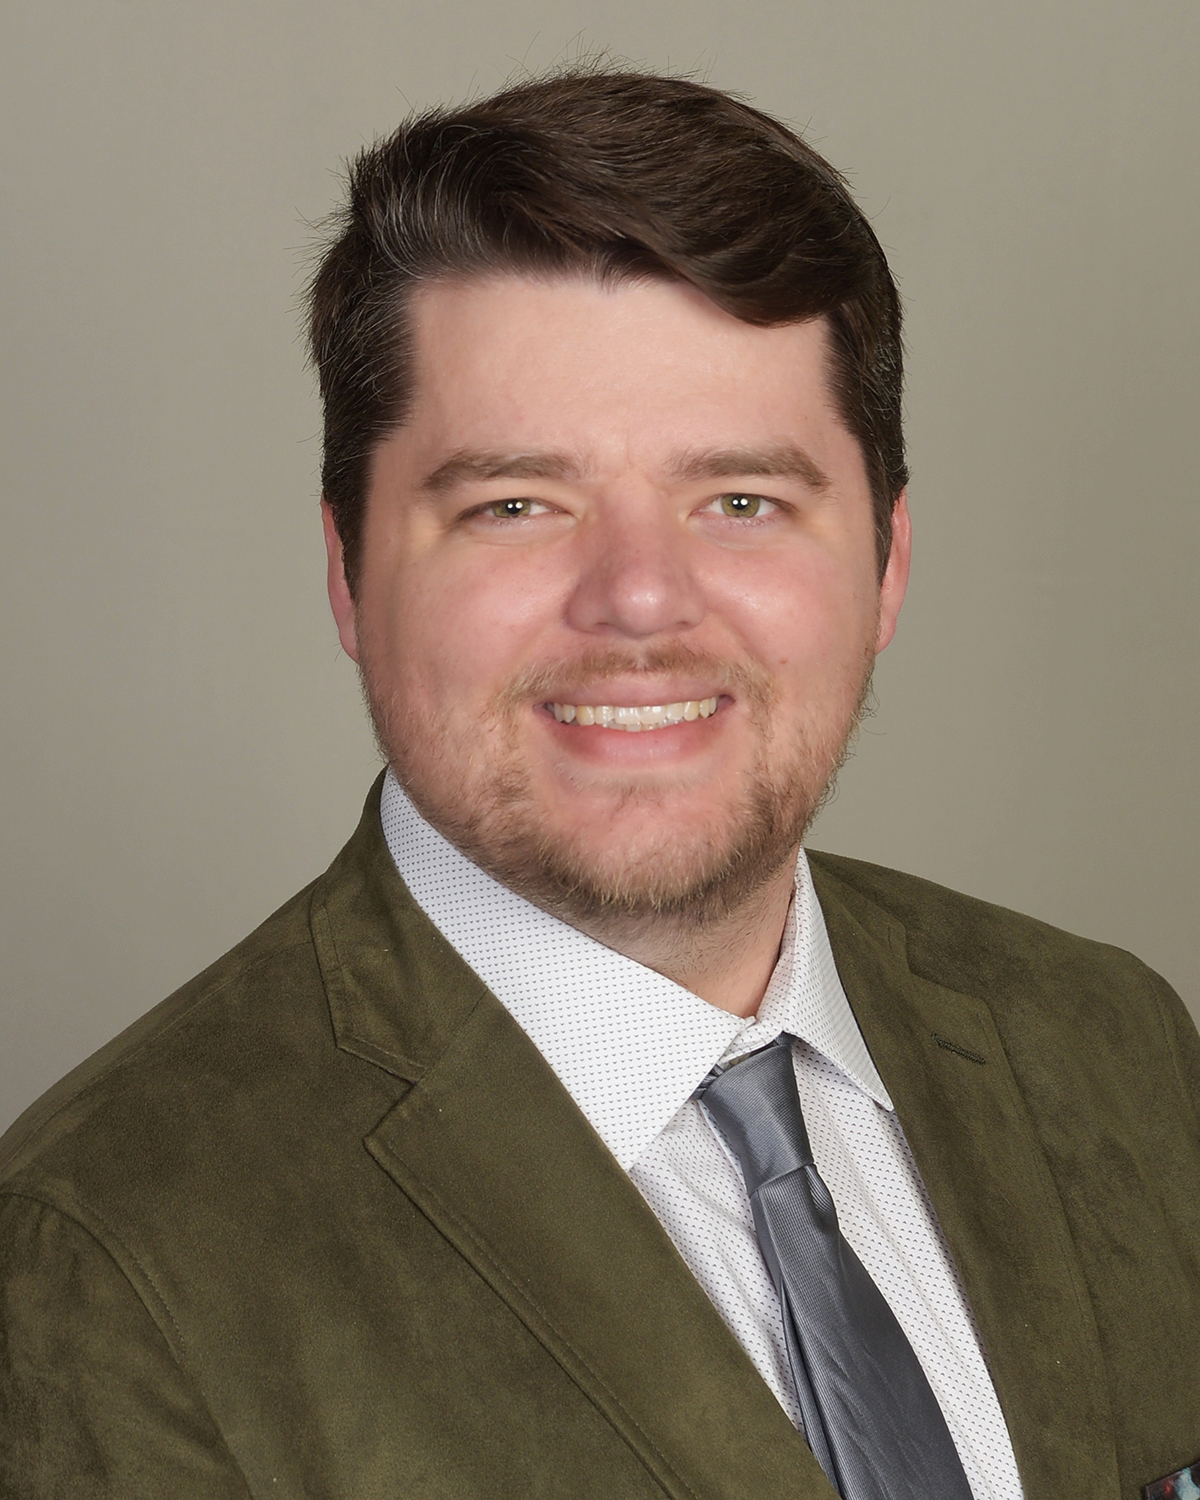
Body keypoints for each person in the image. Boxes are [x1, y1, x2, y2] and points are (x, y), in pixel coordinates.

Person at [1, 67, 1197, 1500]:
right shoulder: (101, 1268)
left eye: (741, 501)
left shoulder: (1112, 1047)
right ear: (347, 573)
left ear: (885, 565)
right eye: (516, 504)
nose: (639, 599)